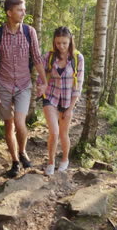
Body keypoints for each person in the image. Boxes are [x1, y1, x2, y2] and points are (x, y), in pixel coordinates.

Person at [0, 0, 48, 178]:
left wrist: (44, 82)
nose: (24, 13)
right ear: (9, 12)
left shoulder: (30, 32)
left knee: (20, 123)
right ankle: (14, 161)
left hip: (23, 85)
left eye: (24, 9)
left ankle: (22, 151)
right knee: (8, 127)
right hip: (4, 86)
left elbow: (37, 58)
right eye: (20, 10)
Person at [40, 26, 84, 175]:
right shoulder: (49, 56)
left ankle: (65, 159)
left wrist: (71, 108)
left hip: (67, 100)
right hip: (50, 97)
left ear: (70, 41)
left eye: (64, 43)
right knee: (54, 131)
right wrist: (41, 86)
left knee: (64, 133)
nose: (61, 46)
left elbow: (78, 85)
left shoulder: (78, 58)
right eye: (58, 43)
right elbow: (41, 75)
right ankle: (51, 162)